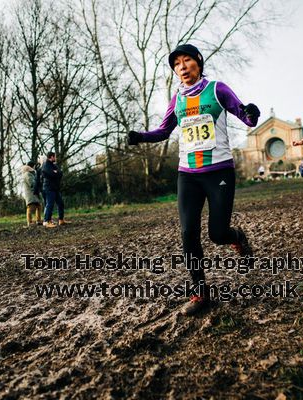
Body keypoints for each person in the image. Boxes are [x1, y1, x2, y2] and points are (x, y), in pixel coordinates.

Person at [127, 44, 260, 316]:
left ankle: (237, 237)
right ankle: (199, 293)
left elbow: (244, 115)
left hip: (219, 171)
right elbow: (163, 132)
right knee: (188, 234)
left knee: (217, 233)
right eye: (177, 64)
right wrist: (140, 137)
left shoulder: (217, 89)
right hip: (187, 175)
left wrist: (251, 114)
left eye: (187, 61)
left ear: (198, 63)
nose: (182, 67)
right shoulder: (177, 100)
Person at [41, 151, 65, 228]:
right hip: (49, 188)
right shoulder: (46, 165)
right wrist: (56, 173)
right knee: (50, 204)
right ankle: (46, 221)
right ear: (51, 157)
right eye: (55, 156)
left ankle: (61, 220)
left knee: (60, 203)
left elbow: (60, 173)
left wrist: (56, 172)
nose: (56, 158)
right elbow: (51, 174)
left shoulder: (53, 165)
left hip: (55, 188)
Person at [21, 161, 44, 226]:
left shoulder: (31, 173)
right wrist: (37, 183)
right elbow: (32, 183)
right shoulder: (27, 174)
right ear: (32, 166)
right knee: (30, 208)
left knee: (39, 206)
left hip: (34, 193)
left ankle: (38, 220)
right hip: (30, 194)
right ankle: (30, 222)